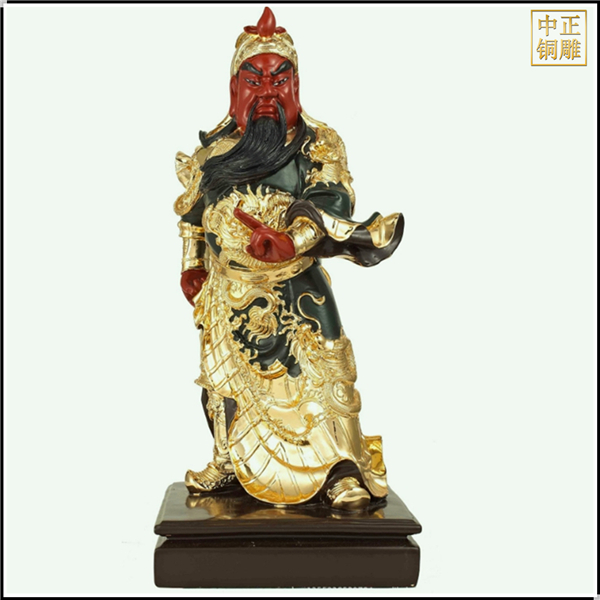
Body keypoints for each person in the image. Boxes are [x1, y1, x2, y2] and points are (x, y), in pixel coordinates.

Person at [174, 7, 404, 511]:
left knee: (321, 386)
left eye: (280, 79)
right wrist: (192, 264)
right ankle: (229, 460)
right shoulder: (214, 152)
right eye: (254, 80)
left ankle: (340, 470)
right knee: (223, 383)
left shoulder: (317, 145)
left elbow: (331, 200)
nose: (267, 92)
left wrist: (291, 240)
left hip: (297, 291)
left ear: (296, 84)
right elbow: (192, 213)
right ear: (234, 87)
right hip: (226, 291)